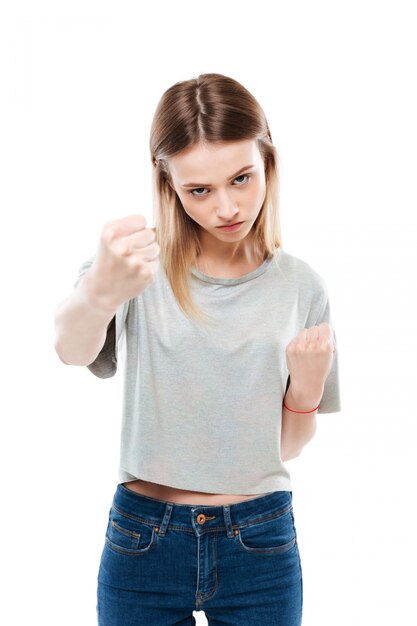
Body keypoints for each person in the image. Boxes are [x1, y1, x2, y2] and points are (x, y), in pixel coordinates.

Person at [54, 72, 341, 626]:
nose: (228, 207)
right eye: (199, 190)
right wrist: (98, 291)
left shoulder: (302, 286)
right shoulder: (135, 266)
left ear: (268, 166)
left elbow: (287, 447)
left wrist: (305, 389)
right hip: (144, 539)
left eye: (242, 178)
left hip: (260, 542)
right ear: (168, 184)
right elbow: (69, 349)